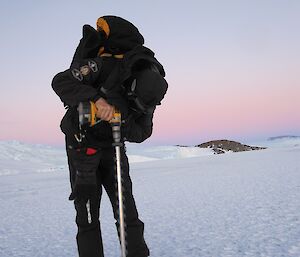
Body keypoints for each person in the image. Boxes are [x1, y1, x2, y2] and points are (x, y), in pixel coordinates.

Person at [51, 15, 168, 257]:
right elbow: (60, 81)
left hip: (114, 147)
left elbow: (141, 134)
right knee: (88, 215)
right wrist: (97, 100)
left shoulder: (147, 90)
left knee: (127, 213)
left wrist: (124, 120)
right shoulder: (101, 66)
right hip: (82, 145)